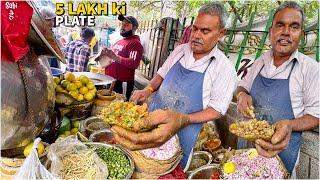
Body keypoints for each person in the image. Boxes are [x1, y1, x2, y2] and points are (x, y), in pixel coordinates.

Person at [111, 3, 237, 171]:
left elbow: (217, 110)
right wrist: (148, 89)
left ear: (221, 33)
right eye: (195, 29)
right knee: (139, 164)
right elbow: (161, 75)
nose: (196, 35)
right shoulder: (181, 50)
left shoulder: (224, 69)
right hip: (152, 120)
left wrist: (183, 119)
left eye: (205, 31)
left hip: (184, 133)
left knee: (168, 171)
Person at [234, 1, 319, 175]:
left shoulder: (311, 69)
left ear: (301, 35)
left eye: (294, 27)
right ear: (271, 31)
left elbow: (316, 116)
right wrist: (242, 95)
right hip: (247, 152)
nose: (286, 32)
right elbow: (241, 86)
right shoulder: (259, 63)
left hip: (282, 154)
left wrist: (289, 125)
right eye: (280, 25)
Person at [97, 15, 144, 101]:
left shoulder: (135, 43)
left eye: (126, 25)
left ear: (134, 27)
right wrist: (104, 55)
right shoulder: (120, 41)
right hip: (111, 80)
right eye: (122, 24)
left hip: (122, 83)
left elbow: (134, 63)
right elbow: (113, 58)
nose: (122, 27)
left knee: (120, 104)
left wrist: (115, 57)